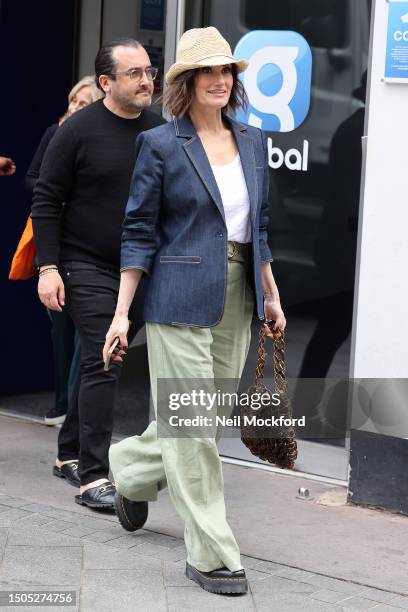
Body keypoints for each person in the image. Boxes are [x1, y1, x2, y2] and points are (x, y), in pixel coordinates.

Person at [104, 27, 286, 595]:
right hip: (177, 297)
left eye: (226, 72)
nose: (219, 80)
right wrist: (121, 314)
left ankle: (130, 470)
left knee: (199, 419)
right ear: (185, 82)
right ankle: (211, 552)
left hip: (237, 291)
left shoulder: (253, 140)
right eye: (207, 72)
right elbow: (137, 232)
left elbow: (258, 229)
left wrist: (271, 292)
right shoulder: (161, 144)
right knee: (195, 430)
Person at [31, 38, 165, 510]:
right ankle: (93, 475)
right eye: (135, 73)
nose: (147, 80)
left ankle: (68, 451)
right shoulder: (78, 131)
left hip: (138, 270)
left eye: (150, 71)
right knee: (107, 356)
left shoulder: (159, 129)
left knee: (96, 358)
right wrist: (49, 269)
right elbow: (46, 200)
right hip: (82, 263)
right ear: (106, 82)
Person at [25, 76, 103, 426]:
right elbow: (33, 179)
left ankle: (75, 407)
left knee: (84, 332)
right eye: (73, 101)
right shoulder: (53, 134)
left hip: (88, 251)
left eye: (84, 103)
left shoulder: (100, 139)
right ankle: (61, 402)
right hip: (54, 245)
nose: (74, 108)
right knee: (60, 331)